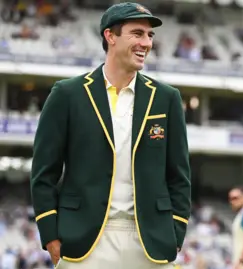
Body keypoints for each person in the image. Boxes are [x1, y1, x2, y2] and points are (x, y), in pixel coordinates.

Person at [30, 2, 191, 268]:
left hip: (151, 242)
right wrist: (51, 235)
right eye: (137, 33)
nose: (146, 43)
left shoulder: (167, 98)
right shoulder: (67, 94)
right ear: (110, 36)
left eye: (150, 35)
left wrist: (176, 232)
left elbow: (179, 176)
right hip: (84, 242)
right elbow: (43, 172)